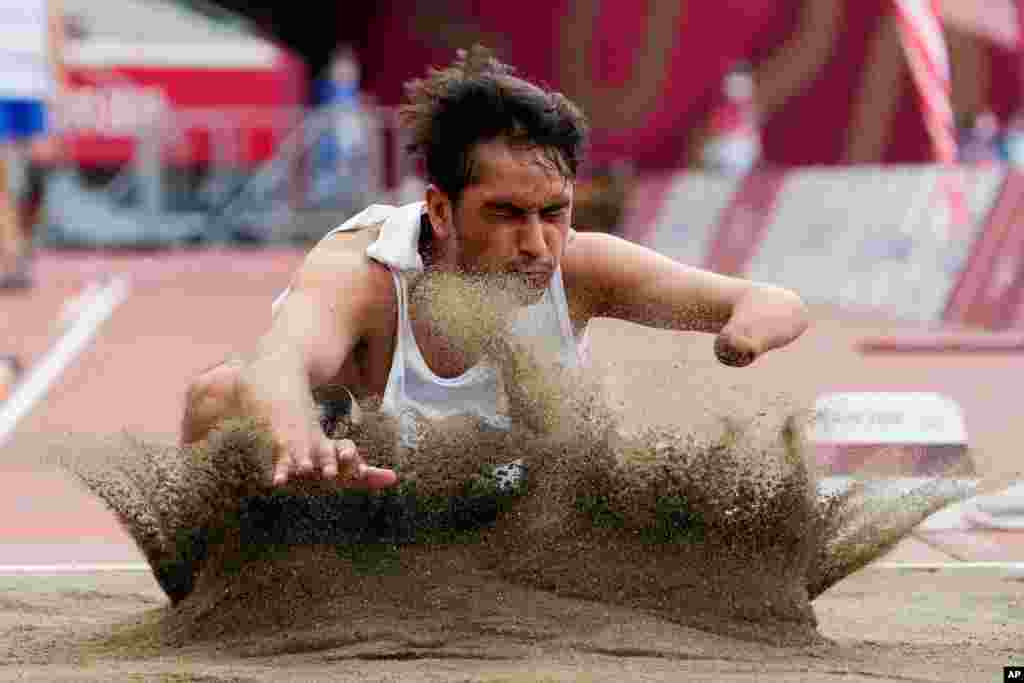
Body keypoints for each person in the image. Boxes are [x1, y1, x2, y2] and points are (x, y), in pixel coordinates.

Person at [180, 46, 809, 491]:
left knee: (603, 452)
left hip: (507, 508)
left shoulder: (582, 267)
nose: (536, 243)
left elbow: (771, 300)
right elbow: (278, 361)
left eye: (552, 213)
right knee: (217, 395)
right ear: (441, 209)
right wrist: (298, 437)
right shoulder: (364, 273)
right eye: (505, 214)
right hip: (355, 491)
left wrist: (745, 329)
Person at [0, 0, 64, 290]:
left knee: (39, 175)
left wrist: (57, 86)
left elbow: (54, 28)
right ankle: (10, 253)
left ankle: (23, 241)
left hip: (34, 86)